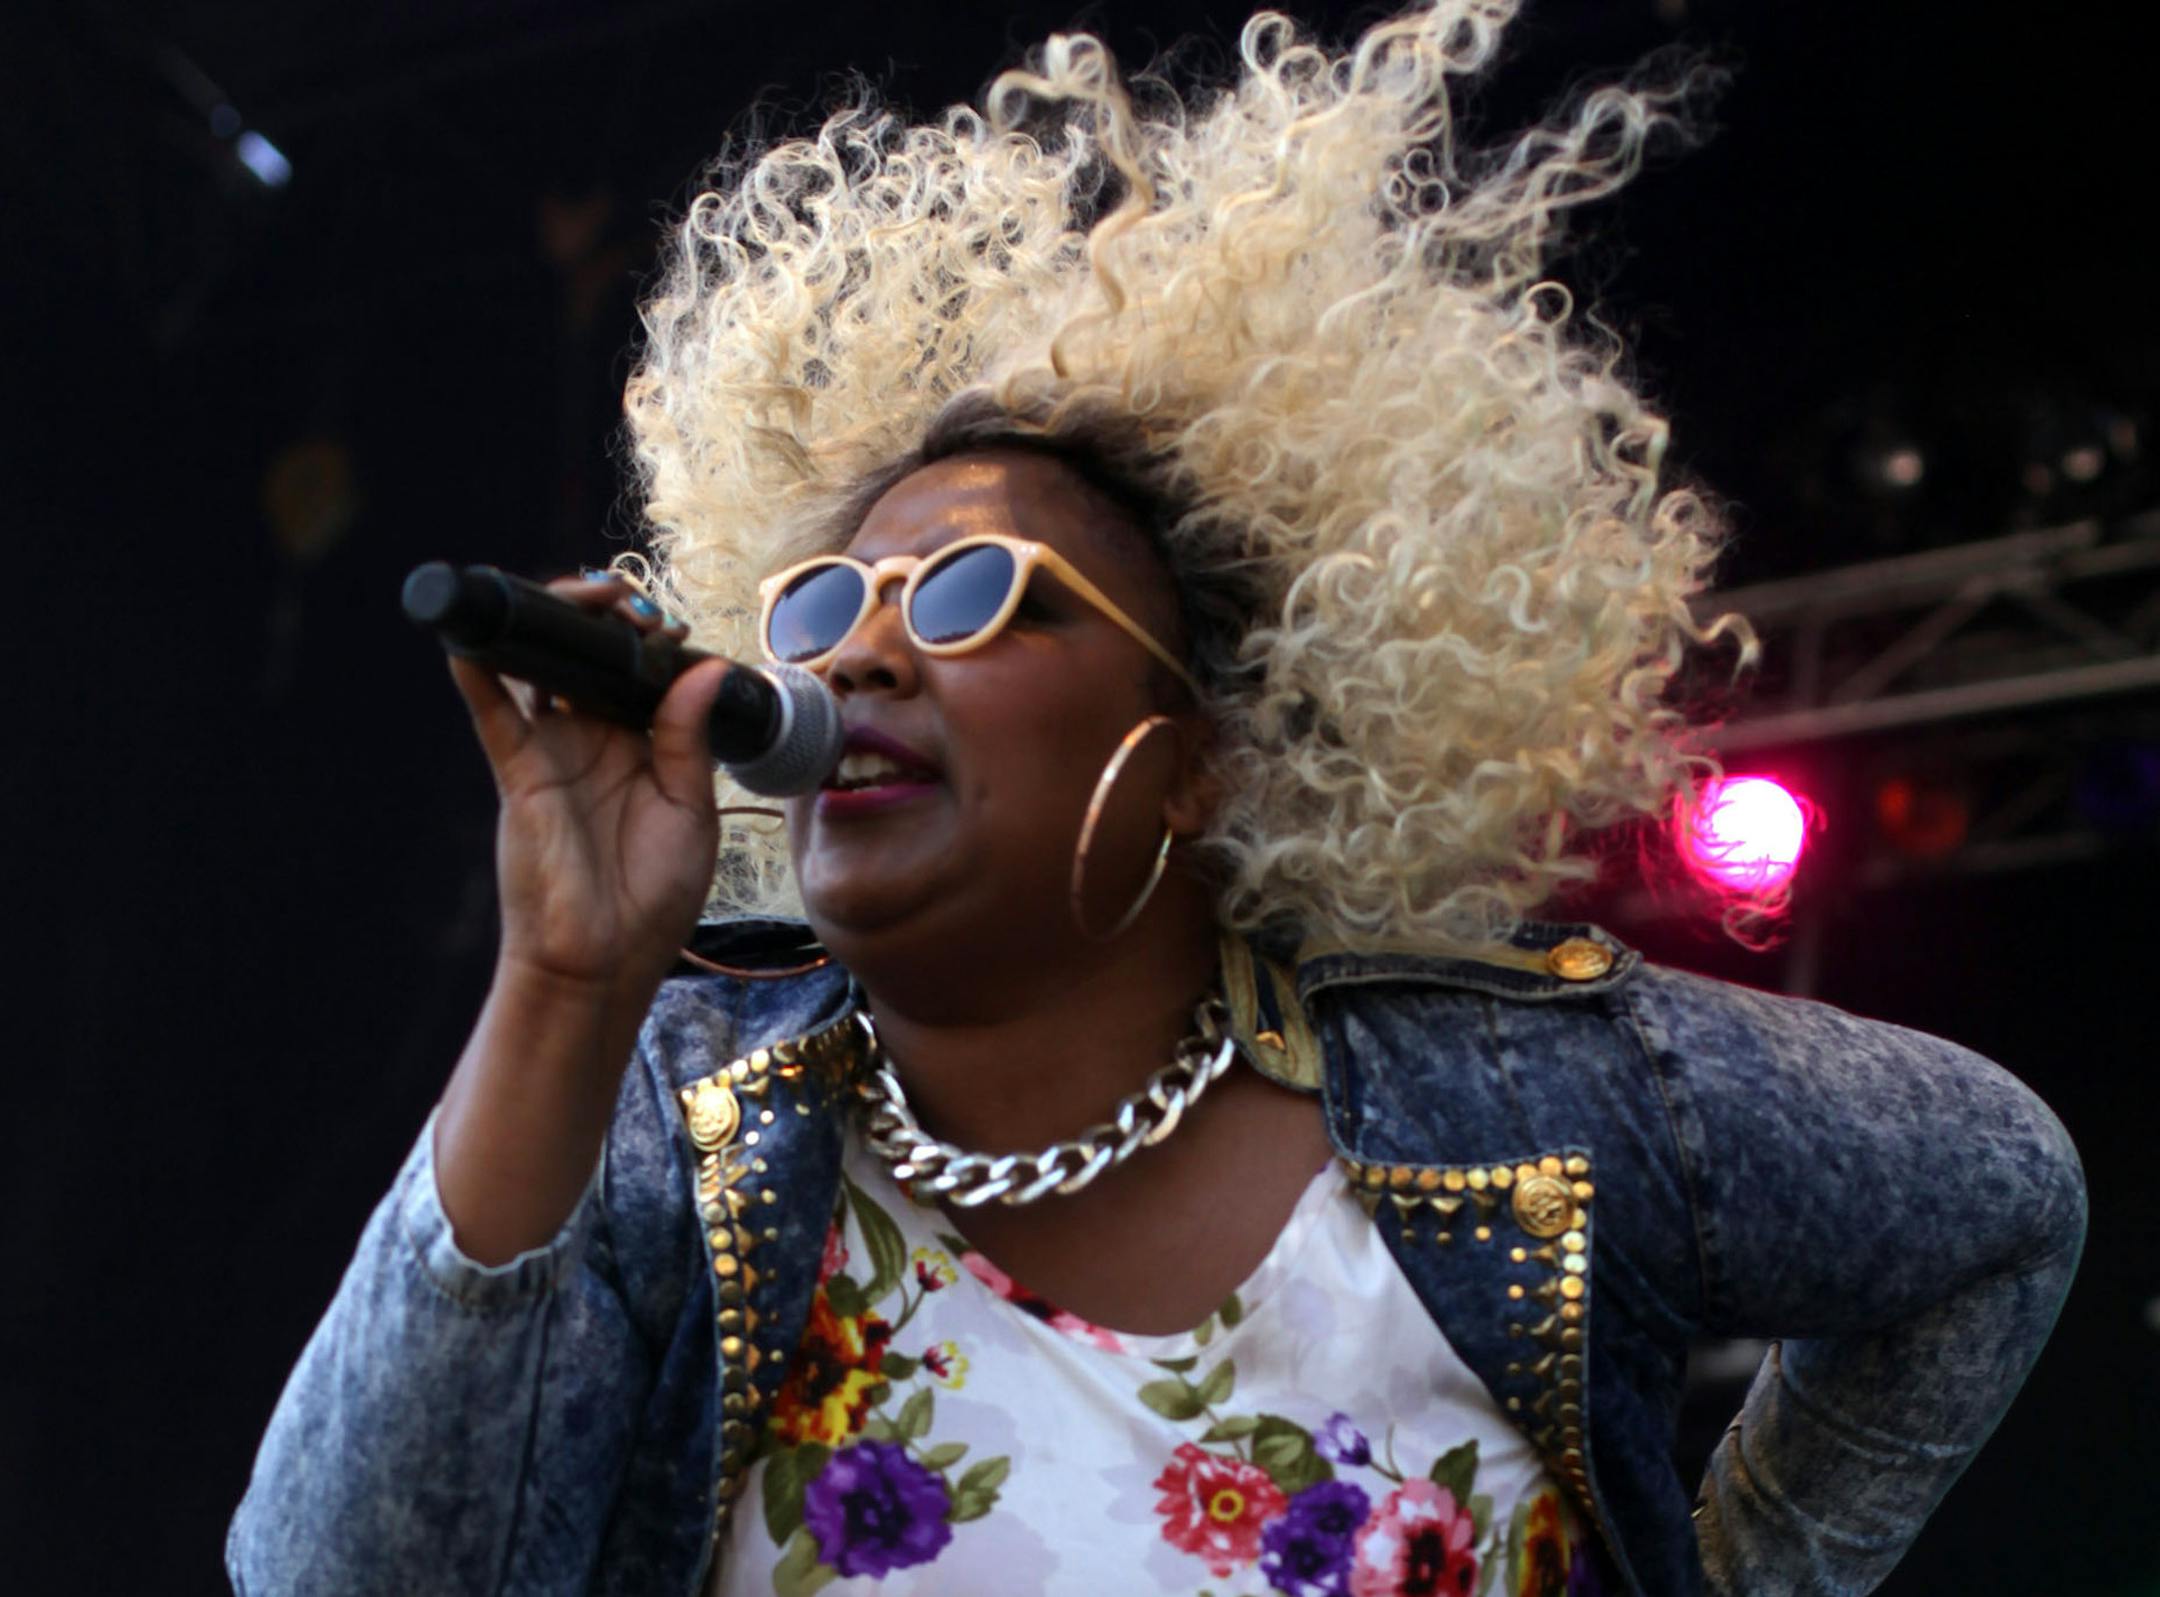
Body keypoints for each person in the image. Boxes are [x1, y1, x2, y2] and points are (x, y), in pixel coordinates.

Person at [227, 4, 2084, 1594]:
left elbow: (2000, 1207)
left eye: (971, 598)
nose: (859, 658)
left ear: (1194, 753)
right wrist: (560, 978)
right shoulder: (674, 1134)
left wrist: (1742, 1566)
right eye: (823, 608)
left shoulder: (1531, 1108)